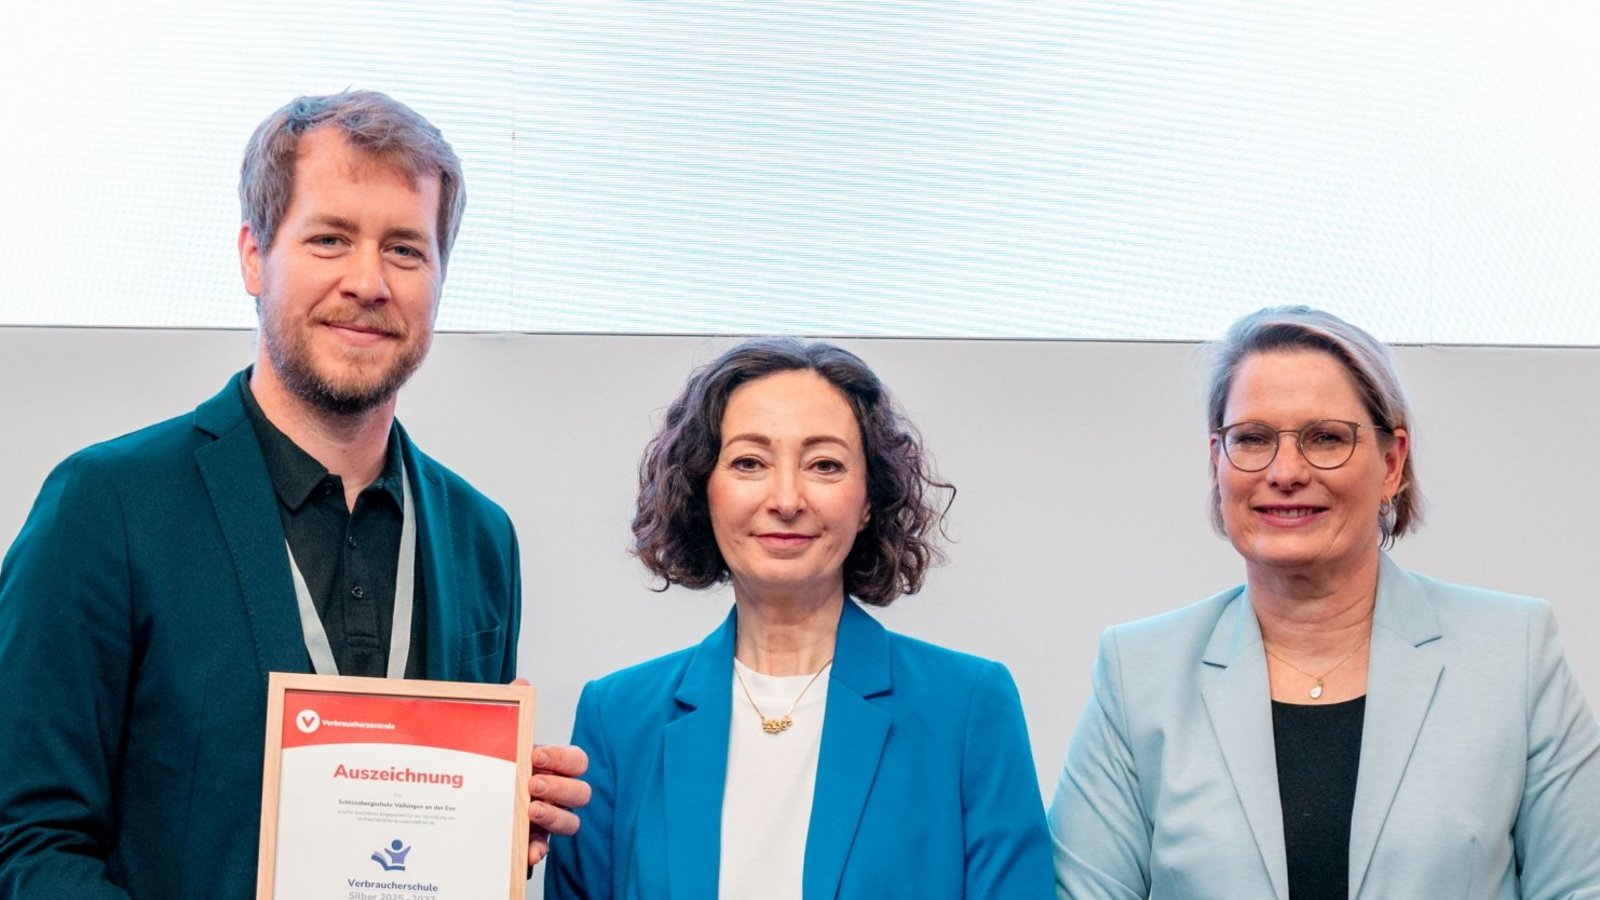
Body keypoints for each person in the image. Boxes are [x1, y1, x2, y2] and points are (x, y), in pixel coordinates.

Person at [0, 90, 588, 899]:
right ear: (253, 255)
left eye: (407, 250)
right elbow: (27, 845)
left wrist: (488, 830)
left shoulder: (482, 538)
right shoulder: (104, 508)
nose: (368, 282)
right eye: (330, 238)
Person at [1048, 306, 1600, 899]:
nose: (1286, 471)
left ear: (1392, 464)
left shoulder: (1514, 654)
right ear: (1217, 461)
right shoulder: (1139, 674)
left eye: (1326, 438)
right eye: (1253, 439)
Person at [545, 338, 1053, 899]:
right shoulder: (617, 718)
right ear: (703, 489)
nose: (786, 497)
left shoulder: (968, 707)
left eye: (824, 465)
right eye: (749, 462)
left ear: (867, 500)